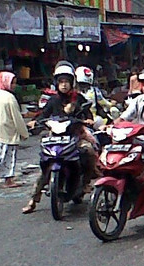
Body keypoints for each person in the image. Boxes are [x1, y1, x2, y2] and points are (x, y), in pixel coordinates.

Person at [22, 62, 95, 214]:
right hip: (55, 138)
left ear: (72, 82)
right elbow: (43, 114)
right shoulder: (53, 100)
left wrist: (88, 119)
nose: (64, 85)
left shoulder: (78, 98)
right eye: (61, 82)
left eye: (66, 82)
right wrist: (35, 121)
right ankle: (33, 200)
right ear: (56, 83)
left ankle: (86, 182)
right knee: (46, 167)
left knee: (88, 151)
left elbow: (88, 113)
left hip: (75, 136)